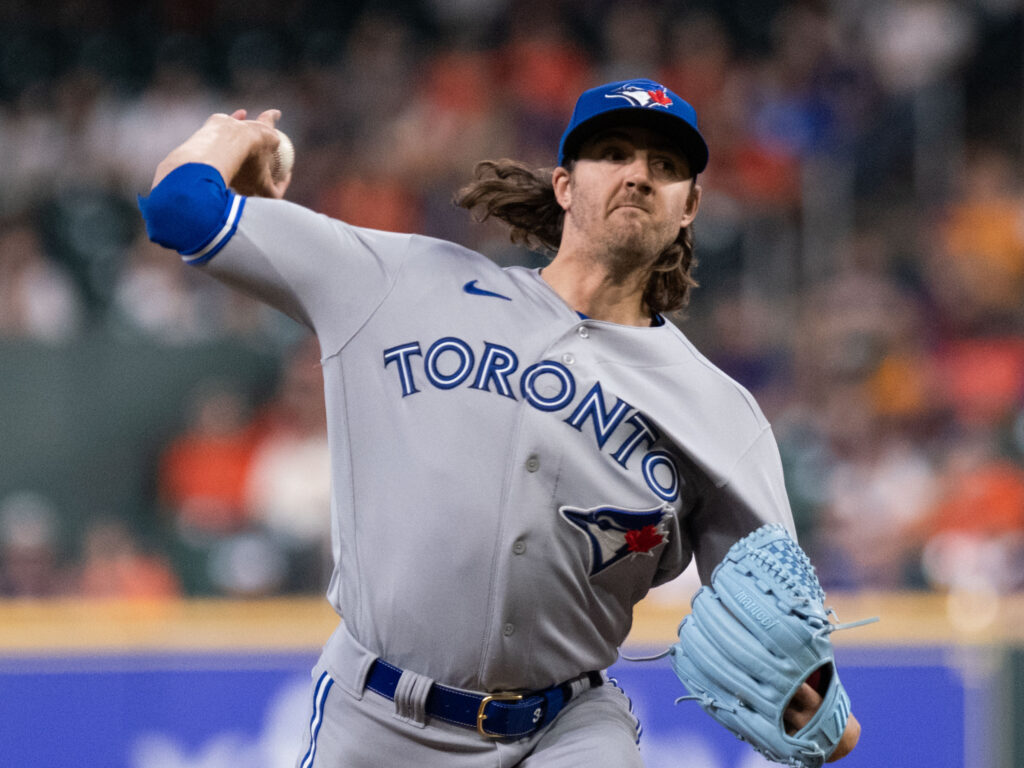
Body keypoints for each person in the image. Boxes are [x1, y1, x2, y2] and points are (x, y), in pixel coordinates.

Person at [138, 78, 859, 767]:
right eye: (613, 154)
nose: (639, 174)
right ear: (565, 185)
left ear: (691, 204)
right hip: (379, 716)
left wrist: (818, 705)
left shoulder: (718, 410)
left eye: (665, 165)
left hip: (566, 730)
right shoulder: (400, 282)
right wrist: (226, 136)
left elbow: (778, 618)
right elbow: (177, 209)